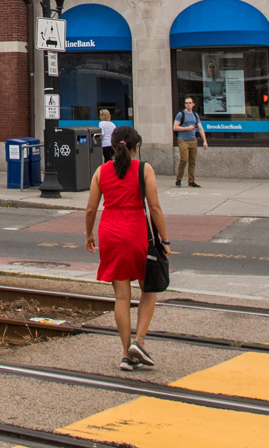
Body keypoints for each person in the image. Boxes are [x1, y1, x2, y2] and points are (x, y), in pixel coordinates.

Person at [86, 125, 168, 371]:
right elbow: (154, 207)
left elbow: (91, 209)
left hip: (109, 232)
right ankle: (139, 341)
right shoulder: (144, 169)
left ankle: (126, 354)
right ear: (136, 147)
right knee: (148, 288)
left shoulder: (101, 172)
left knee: (121, 296)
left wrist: (89, 234)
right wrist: (164, 238)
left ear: (112, 146)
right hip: (136, 232)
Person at [173, 96, 209, 187]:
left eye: (190, 103)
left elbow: (200, 128)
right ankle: (179, 179)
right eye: (186, 103)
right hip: (183, 140)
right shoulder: (181, 114)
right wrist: (187, 128)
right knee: (184, 159)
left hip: (193, 140)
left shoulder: (195, 115)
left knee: (192, 161)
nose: (188, 105)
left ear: (193, 104)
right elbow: (175, 127)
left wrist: (205, 141)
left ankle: (191, 181)